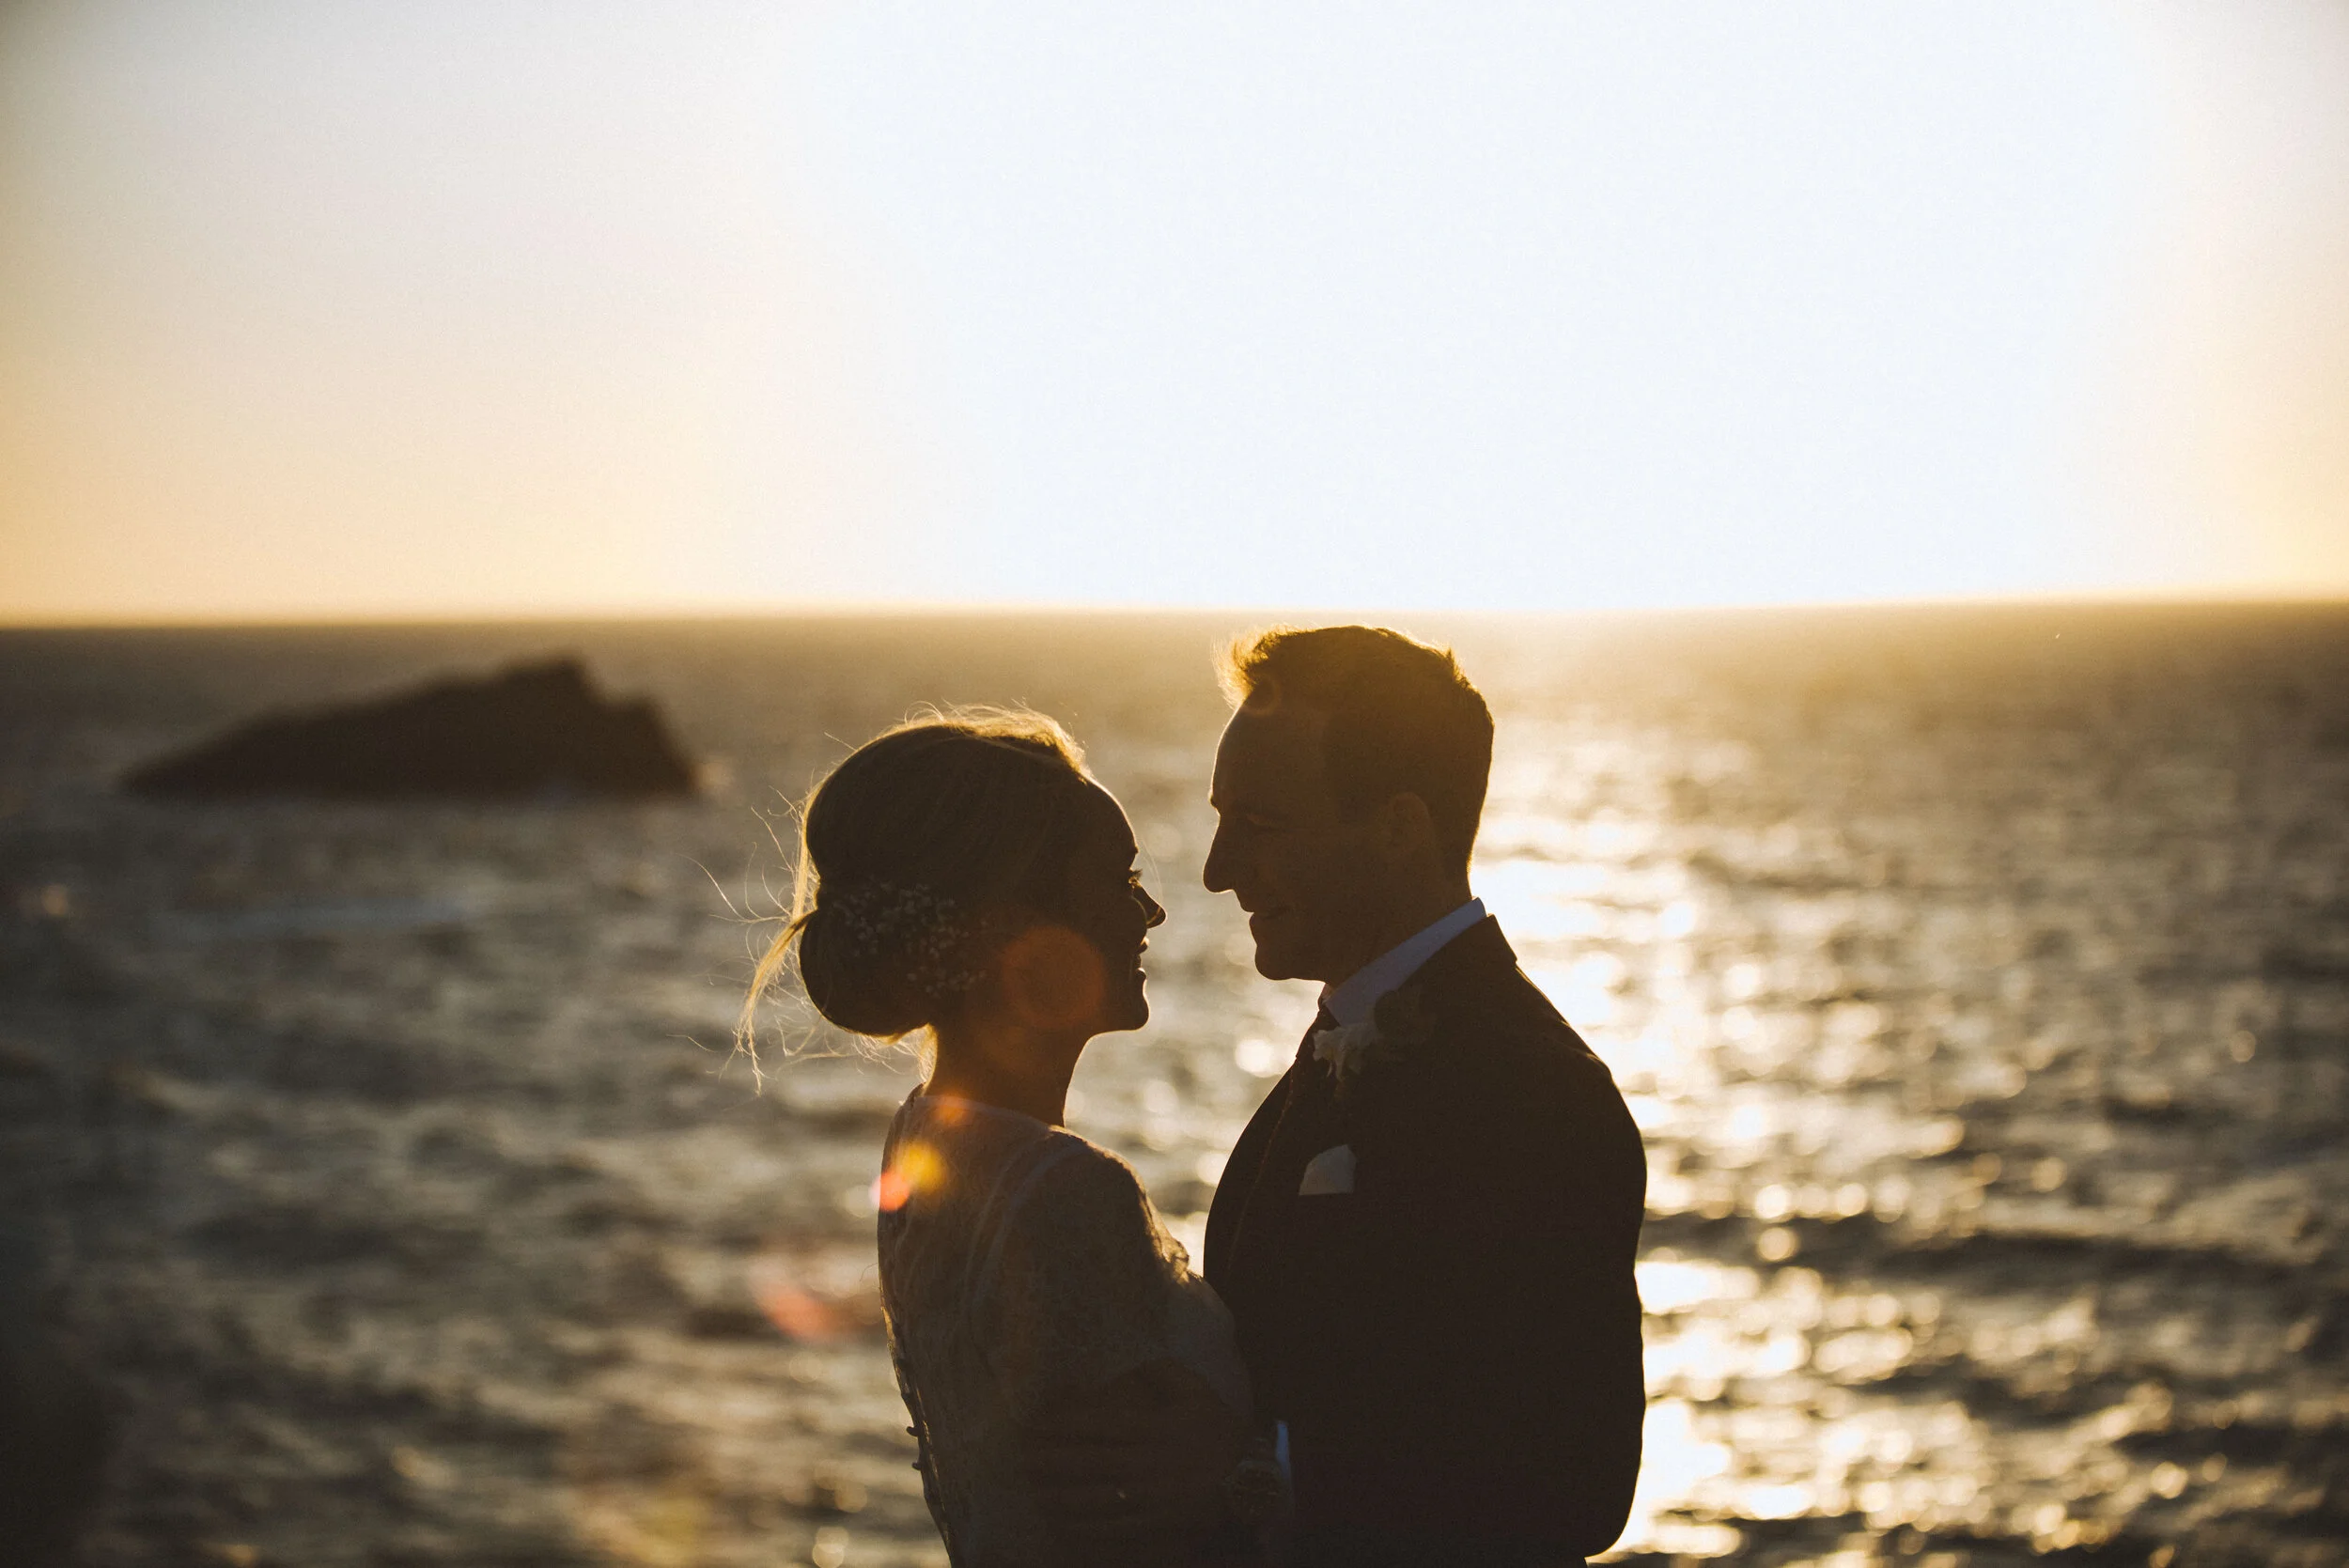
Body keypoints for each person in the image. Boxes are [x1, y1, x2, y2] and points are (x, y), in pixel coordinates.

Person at [1033, 627, 1647, 1567]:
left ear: (1400, 827)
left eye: (1262, 825)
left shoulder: (1536, 1091)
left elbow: (1575, 1477)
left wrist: (1258, 1464)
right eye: (1219, 817)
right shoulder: (1330, 1052)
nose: (1216, 868)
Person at [742, 711, 1270, 1567]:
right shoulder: (1063, 1194)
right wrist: (1261, 1478)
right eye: (1117, 877)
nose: (1152, 909)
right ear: (1013, 934)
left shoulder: (921, 1140)